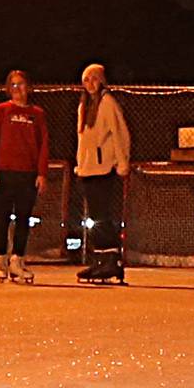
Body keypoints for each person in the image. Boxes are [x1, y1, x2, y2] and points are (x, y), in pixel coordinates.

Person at [0, 69, 49, 284]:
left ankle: (17, 260)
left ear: (28, 87)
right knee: (1, 217)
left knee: (23, 218)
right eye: (13, 85)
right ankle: (0, 259)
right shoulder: (0, 111)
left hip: (27, 175)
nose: (18, 89)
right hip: (4, 173)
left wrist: (41, 173)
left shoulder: (37, 114)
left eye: (21, 84)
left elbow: (43, 147)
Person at [74, 62, 131, 284]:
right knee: (94, 217)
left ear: (102, 80)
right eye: (86, 80)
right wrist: (80, 163)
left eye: (94, 79)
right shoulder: (84, 106)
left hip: (103, 168)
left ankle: (112, 259)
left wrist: (121, 162)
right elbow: (83, 140)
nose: (90, 84)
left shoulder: (107, 103)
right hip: (88, 169)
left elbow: (120, 133)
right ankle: (99, 258)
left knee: (102, 216)